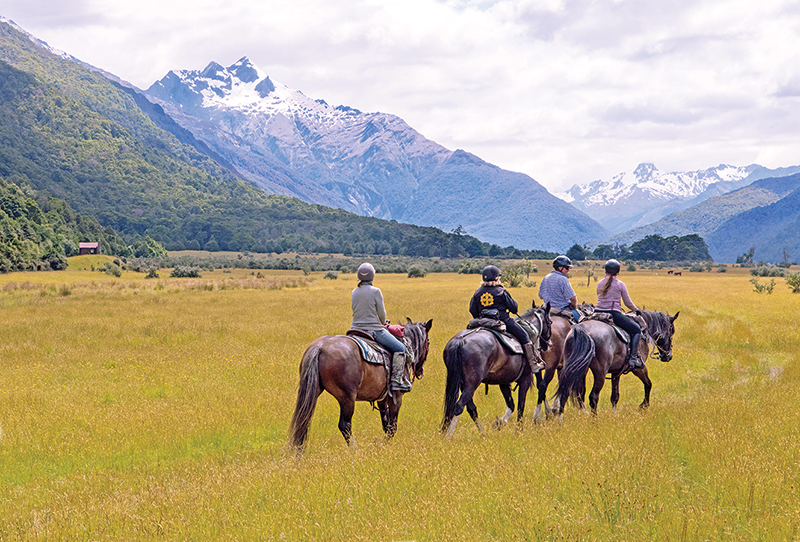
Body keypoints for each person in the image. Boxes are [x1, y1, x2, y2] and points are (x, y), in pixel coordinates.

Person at [469, 265, 545, 374]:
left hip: (482, 321)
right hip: (503, 320)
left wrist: (481, 318)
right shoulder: (501, 291)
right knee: (524, 336)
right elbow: (514, 308)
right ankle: (533, 365)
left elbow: (472, 310)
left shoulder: (477, 292)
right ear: (496, 278)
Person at [350, 262, 411, 392]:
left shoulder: (354, 292)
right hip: (374, 330)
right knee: (400, 348)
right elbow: (382, 315)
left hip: (355, 330)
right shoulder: (376, 291)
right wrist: (383, 322)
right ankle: (396, 380)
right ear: (372, 275)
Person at [595, 259, 644, 372]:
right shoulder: (620, 284)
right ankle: (633, 358)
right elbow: (627, 303)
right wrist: (636, 310)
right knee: (636, 329)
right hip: (613, 313)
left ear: (606, 270)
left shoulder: (599, 283)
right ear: (618, 271)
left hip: (597, 312)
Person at [538, 255, 581, 322]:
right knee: (582, 321)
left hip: (548, 311)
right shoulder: (563, 279)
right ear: (560, 267)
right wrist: (575, 308)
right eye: (567, 268)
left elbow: (541, 296)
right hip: (562, 310)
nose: (568, 270)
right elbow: (573, 298)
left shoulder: (546, 277)